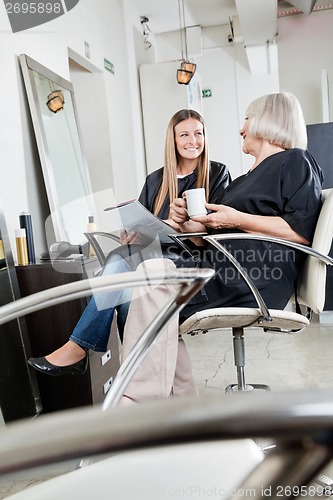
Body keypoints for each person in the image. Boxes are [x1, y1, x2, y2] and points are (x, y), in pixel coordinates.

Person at [119, 91, 324, 403]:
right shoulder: (244, 178)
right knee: (149, 289)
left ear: (267, 121)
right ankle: (181, 405)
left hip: (252, 275)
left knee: (151, 278)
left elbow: (301, 231)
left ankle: (138, 407)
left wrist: (236, 218)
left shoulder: (295, 161)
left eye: (247, 118)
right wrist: (182, 221)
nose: (241, 128)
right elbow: (208, 232)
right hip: (222, 265)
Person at [28, 109, 231, 376]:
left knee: (120, 264)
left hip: (190, 258)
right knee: (125, 283)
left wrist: (176, 224)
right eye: (184, 134)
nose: (193, 140)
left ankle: (81, 349)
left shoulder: (217, 173)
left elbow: (211, 233)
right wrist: (132, 233)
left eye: (198, 133)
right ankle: (138, 375)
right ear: (172, 139)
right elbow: (143, 223)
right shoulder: (155, 180)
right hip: (151, 254)